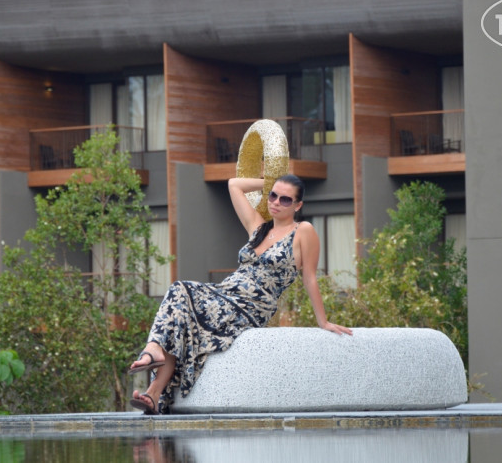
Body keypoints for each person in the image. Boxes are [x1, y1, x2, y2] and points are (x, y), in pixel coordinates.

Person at [129, 174, 353, 414]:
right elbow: (233, 184)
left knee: (181, 292)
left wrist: (323, 321)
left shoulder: (303, 231)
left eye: (285, 199)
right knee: (179, 307)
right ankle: (153, 392)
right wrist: (271, 180)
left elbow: (309, 278)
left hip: (252, 306)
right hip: (225, 294)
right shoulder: (259, 228)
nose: (276, 202)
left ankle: (153, 352)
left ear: (298, 206)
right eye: (273, 196)